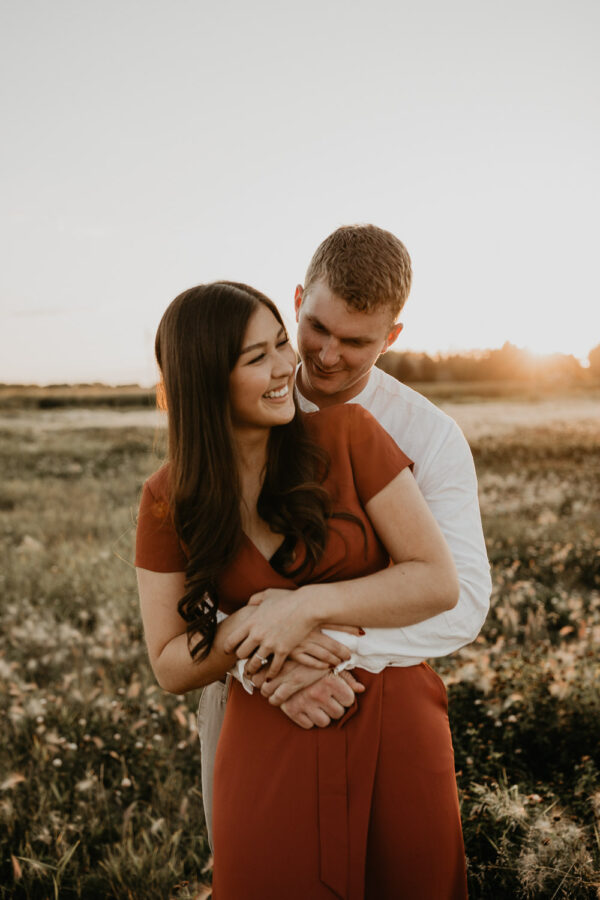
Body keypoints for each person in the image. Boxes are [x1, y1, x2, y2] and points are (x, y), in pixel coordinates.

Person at [136, 280, 470, 898]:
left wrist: (304, 609)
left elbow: (437, 580)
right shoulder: (167, 498)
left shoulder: (350, 436)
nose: (286, 366)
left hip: (392, 719)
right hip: (268, 731)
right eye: (256, 357)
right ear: (205, 379)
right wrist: (253, 633)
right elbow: (168, 662)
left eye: (281, 344)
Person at [198, 224, 492, 844]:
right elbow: (192, 584)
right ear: (297, 299)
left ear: (392, 337)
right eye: (317, 328)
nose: (328, 356)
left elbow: (462, 602)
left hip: (379, 700)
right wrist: (263, 668)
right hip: (250, 697)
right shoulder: (228, 415)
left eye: (356, 342)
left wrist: (312, 636)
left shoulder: (430, 437)